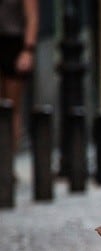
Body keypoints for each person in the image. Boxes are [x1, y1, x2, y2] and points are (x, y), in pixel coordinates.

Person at [0, 0, 38, 154]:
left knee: (12, 106)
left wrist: (28, 50)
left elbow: (32, 17)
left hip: (13, 43)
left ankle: (9, 161)